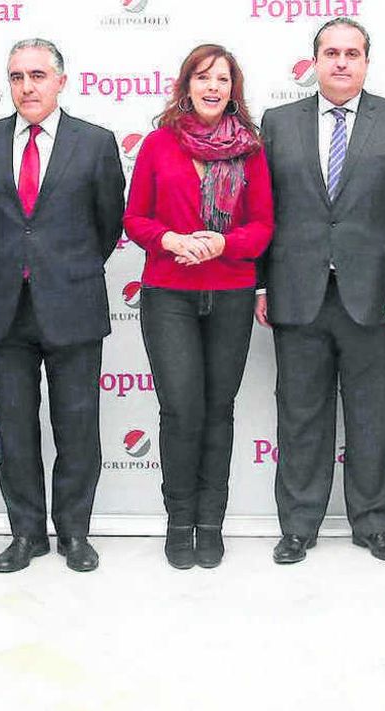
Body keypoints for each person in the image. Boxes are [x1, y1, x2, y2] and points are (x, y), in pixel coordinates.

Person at [258, 17, 385, 565]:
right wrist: (262, 282)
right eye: (330, 52)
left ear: (366, 61)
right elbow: (263, 209)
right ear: (313, 61)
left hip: (377, 295)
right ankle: (299, 525)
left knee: (375, 415)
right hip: (297, 292)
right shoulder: (278, 122)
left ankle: (374, 522)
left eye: (351, 53)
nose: (340, 62)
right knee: (301, 414)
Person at [0, 39, 124, 575]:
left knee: (78, 426)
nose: (27, 86)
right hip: (5, 305)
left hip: (73, 302)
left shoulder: (96, 142)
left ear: (61, 80)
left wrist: (65, 268)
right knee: (13, 427)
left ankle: (75, 533)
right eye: (16, 76)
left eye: (37, 75)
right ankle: (26, 534)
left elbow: (109, 224)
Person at [125, 43, 273, 569]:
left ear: (235, 90)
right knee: (181, 410)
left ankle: (211, 524)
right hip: (170, 294)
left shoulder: (251, 150)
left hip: (230, 293)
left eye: (224, 80)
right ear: (186, 85)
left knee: (218, 411)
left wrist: (221, 245)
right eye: (203, 78)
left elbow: (262, 228)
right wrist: (169, 239)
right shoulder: (159, 145)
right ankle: (178, 522)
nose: (213, 88)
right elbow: (135, 219)